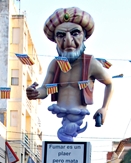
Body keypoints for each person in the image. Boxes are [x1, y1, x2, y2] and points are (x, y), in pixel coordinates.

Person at [26, 7, 113, 141]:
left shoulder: (90, 63)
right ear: (55, 40)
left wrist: (104, 108)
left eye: (75, 33)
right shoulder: (55, 64)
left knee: (68, 144)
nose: (68, 40)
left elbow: (109, 83)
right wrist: (35, 93)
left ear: (84, 36)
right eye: (61, 35)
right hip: (60, 111)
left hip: (78, 114)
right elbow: (45, 89)